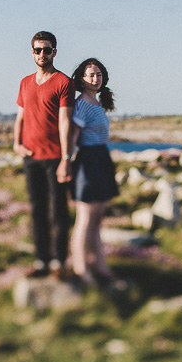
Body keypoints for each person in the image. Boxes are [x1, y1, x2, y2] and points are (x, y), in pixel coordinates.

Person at [14, 31, 75, 278]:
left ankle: (59, 261)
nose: (42, 54)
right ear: (32, 52)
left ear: (54, 52)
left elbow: (65, 123)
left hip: (55, 158)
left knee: (59, 211)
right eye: (38, 50)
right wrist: (16, 144)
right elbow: (20, 116)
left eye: (46, 50)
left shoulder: (63, 82)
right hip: (31, 157)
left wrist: (66, 159)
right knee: (37, 210)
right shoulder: (25, 82)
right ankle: (42, 260)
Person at [68, 57, 119, 286]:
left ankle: (99, 265)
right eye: (90, 75)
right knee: (85, 217)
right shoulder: (81, 105)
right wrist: (66, 163)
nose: (95, 78)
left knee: (97, 218)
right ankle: (81, 268)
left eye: (98, 74)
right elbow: (73, 139)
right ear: (82, 79)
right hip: (87, 161)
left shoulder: (98, 104)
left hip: (101, 158)